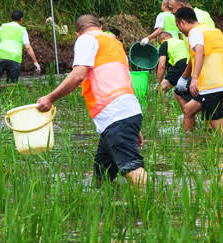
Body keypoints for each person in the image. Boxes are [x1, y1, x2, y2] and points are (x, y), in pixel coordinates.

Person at [37, 15, 147, 187]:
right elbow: (123, 80)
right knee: (102, 175)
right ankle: (110, 209)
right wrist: (133, 127)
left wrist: (50, 98)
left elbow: (78, 75)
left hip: (115, 114)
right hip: (124, 114)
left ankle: (150, 207)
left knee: (131, 167)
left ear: (77, 33)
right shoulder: (115, 44)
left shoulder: (86, 40)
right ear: (100, 27)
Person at [174, 7, 223, 133]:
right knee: (189, 111)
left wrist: (194, 79)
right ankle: (192, 143)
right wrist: (184, 77)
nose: (180, 31)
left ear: (182, 22)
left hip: (210, 88)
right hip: (222, 85)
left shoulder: (195, 32)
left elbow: (200, 52)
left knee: (221, 133)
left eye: (178, 26)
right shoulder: (215, 31)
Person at [0, 10, 41, 83]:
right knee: (11, 86)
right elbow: (28, 47)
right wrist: (35, 61)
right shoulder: (22, 30)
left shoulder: (3, 26)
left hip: (0, 57)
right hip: (14, 59)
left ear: (11, 18)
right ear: (21, 19)